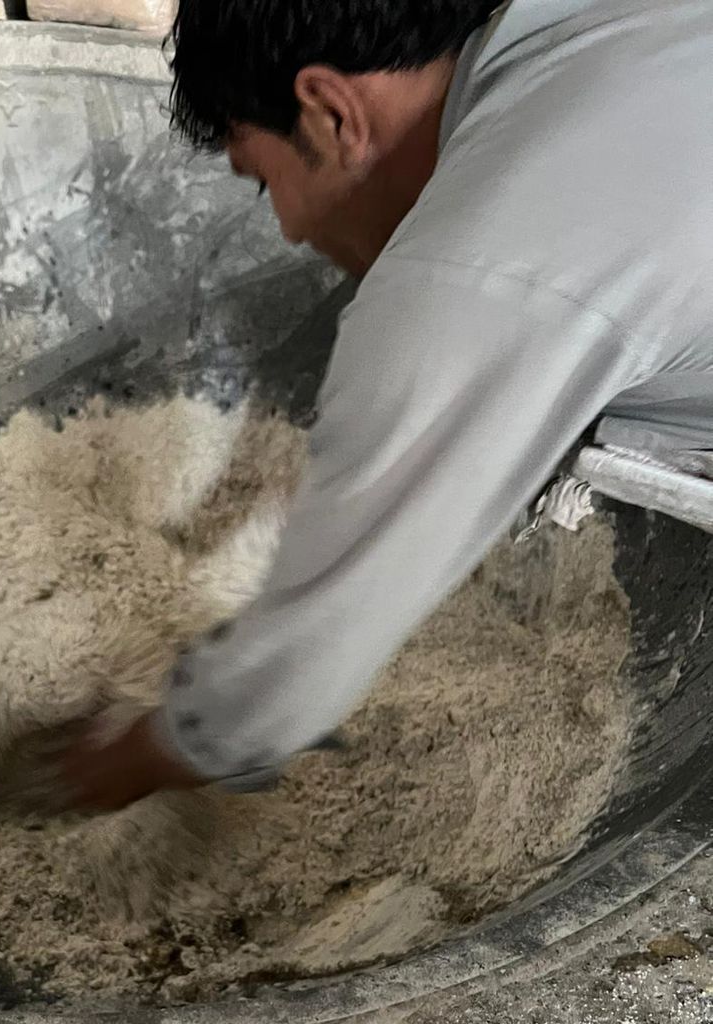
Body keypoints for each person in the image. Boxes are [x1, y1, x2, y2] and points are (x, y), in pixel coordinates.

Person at [61, 0, 713, 812]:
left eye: (267, 181)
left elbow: (300, 669)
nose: (291, 228)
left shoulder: (480, 263)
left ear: (330, 112)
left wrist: (114, 763)